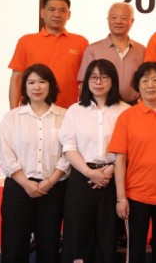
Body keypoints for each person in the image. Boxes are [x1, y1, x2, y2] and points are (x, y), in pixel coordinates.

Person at [108, 62, 156, 263]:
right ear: (137, 86)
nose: (151, 85)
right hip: (136, 196)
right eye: (145, 81)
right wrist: (121, 198)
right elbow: (120, 159)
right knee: (135, 251)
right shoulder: (127, 117)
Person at [60, 59, 130, 263]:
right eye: (93, 77)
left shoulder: (125, 110)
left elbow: (130, 148)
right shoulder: (75, 110)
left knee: (107, 236)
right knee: (77, 234)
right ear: (86, 81)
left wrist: (110, 170)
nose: (98, 82)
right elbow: (69, 147)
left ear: (113, 80)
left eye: (104, 77)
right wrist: (90, 173)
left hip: (112, 178)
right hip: (82, 177)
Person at [0, 63, 70, 263]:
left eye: (42, 81)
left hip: (53, 188)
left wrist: (50, 181)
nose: (36, 87)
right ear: (24, 87)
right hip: (19, 188)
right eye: (31, 83)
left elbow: (69, 153)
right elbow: (7, 154)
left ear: (51, 85)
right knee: (14, 245)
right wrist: (26, 183)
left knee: (49, 246)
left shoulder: (65, 116)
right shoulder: (12, 118)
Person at [8, 0, 88, 108]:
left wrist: (84, 111)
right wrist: (13, 112)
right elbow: (17, 79)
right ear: (42, 13)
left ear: (69, 15)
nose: (57, 14)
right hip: (31, 111)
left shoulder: (81, 42)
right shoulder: (26, 41)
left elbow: (85, 82)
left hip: (69, 111)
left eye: (62, 10)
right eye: (52, 9)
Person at [77, 2, 145, 105]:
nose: (118, 21)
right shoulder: (93, 49)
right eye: (114, 17)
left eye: (124, 18)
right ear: (108, 20)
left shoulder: (141, 49)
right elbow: (84, 84)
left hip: (133, 106)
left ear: (132, 21)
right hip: (102, 107)